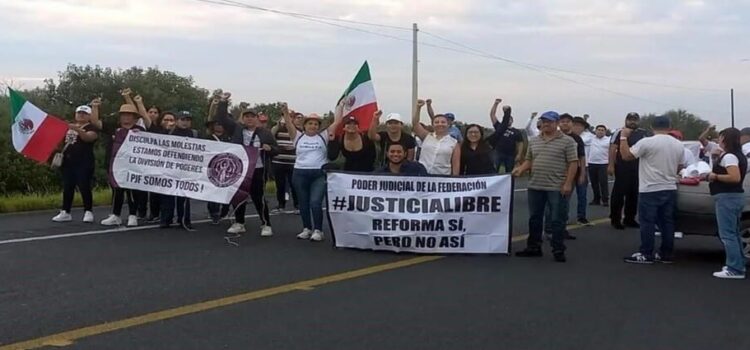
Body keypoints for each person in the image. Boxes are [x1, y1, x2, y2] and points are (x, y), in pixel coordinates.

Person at [512, 111, 578, 262]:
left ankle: (558, 249)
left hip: (556, 186)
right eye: (544, 121)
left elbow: (573, 163)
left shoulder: (567, 141)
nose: (546, 124)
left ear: (556, 123)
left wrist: (568, 183)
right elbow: (529, 160)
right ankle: (534, 247)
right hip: (535, 185)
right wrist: (520, 169)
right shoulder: (535, 141)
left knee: (557, 219)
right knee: (534, 218)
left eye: (549, 121)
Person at [618, 116, 685, 264]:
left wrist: (623, 138)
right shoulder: (678, 144)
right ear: (670, 126)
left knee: (647, 222)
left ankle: (646, 253)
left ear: (652, 127)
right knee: (667, 222)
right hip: (669, 186)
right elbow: (680, 166)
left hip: (650, 187)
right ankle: (666, 254)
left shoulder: (647, 142)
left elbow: (626, 156)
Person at [282, 103, 342, 242]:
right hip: (299, 173)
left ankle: (318, 230)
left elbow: (337, 121)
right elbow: (289, 123)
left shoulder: (323, 136)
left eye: (316, 124)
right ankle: (306, 228)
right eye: (310, 123)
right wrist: (285, 112)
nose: (313, 126)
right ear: (305, 125)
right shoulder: (297, 136)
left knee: (315, 202)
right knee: (303, 203)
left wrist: (341, 106)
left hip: (318, 174)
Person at [225, 110, 279, 237]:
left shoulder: (265, 133)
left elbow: (276, 150)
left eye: (252, 117)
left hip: (258, 168)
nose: (249, 119)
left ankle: (266, 224)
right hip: (240, 168)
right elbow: (223, 119)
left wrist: (270, 148)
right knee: (239, 196)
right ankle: (239, 223)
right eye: (247, 117)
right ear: (243, 119)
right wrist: (222, 102)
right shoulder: (237, 130)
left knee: (258, 197)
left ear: (257, 119)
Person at [99, 103, 150, 227]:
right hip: (116, 165)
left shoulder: (140, 130)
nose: (126, 118)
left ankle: (133, 215)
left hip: (133, 165)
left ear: (134, 117)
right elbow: (96, 122)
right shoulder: (115, 129)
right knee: (117, 190)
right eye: (124, 115)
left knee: (132, 191)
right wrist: (96, 107)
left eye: (129, 115)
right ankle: (115, 215)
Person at [707, 128, 748, 278]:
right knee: (735, 233)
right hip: (735, 197)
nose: (718, 141)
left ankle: (735, 268)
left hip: (727, 197)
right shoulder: (739, 156)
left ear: (725, 139)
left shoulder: (730, 157)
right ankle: (738, 264)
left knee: (727, 234)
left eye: (720, 138)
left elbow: (734, 177)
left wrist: (715, 176)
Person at [52, 101, 100, 223]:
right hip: (68, 161)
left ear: (89, 116)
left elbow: (89, 138)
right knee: (68, 187)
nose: (81, 115)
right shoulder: (69, 126)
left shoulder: (91, 127)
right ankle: (65, 211)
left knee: (84, 186)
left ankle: (88, 211)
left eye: (84, 113)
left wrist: (78, 130)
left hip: (84, 162)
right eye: (79, 113)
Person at [609, 112, 650, 230]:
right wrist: (611, 165)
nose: (632, 122)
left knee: (634, 194)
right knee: (619, 193)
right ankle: (615, 219)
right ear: (626, 120)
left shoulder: (644, 133)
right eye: (630, 119)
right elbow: (612, 148)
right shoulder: (619, 132)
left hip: (638, 167)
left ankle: (629, 218)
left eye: (635, 120)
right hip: (622, 167)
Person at [158, 111, 198, 230]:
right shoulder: (169, 132)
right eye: (182, 119)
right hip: (170, 167)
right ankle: (166, 219)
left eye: (188, 120)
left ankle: (184, 220)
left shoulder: (194, 133)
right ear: (177, 120)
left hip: (186, 168)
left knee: (184, 196)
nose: (185, 122)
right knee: (167, 195)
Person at [412, 99, 460, 175]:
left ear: (448, 124)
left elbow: (456, 165)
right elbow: (415, 124)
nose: (440, 124)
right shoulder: (426, 136)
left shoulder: (454, 143)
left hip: (442, 179)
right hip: (422, 176)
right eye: (436, 122)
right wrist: (418, 108)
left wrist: (454, 180)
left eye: (443, 122)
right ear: (433, 124)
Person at [270, 114, 301, 214]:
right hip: (278, 161)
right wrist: (278, 125)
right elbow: (271, 139)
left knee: (294, 184)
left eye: (291, 117)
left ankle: (297, 205)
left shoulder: (297, 130)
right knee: (280, 185)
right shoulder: (277, 128)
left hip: (293, 161)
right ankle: (281, 205)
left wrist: (294, 147)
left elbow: (301, 143)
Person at [205, 119, 232, 224]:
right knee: (213, 191)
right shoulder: (208, 138)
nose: (219, 126)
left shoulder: (229, 138)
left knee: (227, 190)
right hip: (212, 167)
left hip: (227, 166)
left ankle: (225, 210)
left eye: (221, 124)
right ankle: (214, 212)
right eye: (217, 124)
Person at [489, 98, 523, 173]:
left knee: (510, 173)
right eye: (507, 119)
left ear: (512, 121)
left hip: (510, 154)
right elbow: (492, 115)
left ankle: (510, 184)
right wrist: (496, 103)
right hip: (498, 152)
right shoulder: (499, 126)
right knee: (493, 171)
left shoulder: (516, 131)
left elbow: (520, 143)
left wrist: (519, 154)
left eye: (510, 119)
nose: (508, 121)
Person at [571, 116, 592, 226]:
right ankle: (561, 219)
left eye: (581, 126)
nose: (578, 128)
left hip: (583, 167)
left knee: (582, 195)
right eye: (575, 125)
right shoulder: (566, 137)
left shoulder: (588, 137)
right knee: (565, 196)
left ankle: (582, 217)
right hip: (569, 169)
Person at [588, 124, 610, 206]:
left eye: (602, 130)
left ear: (605, 132)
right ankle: (596, 199)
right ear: (595, 131)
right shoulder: (591, 138)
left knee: (603, 182)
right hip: (592, 163)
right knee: (594, 183)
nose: (600, 131)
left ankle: (605, 200)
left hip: (603, 164)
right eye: (599, 130)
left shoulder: (608, 140)